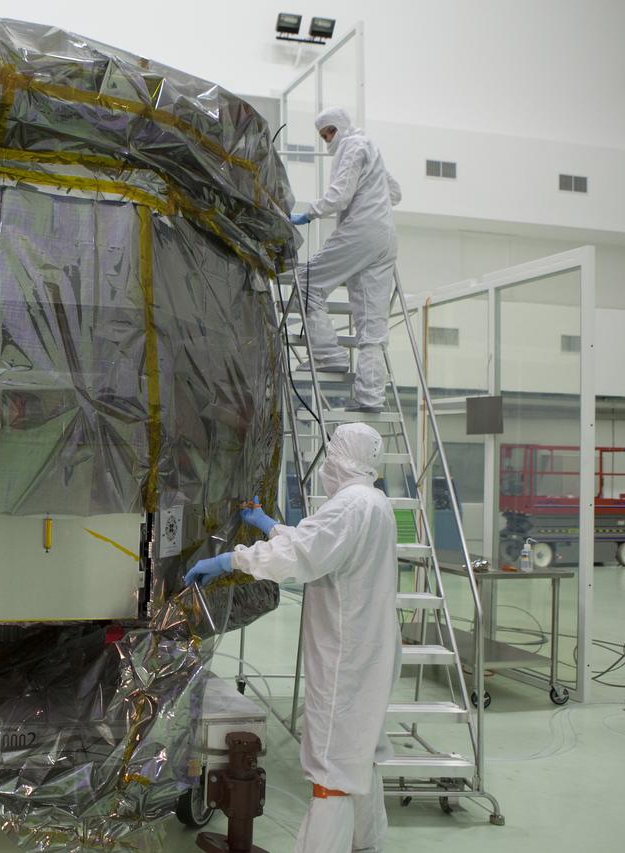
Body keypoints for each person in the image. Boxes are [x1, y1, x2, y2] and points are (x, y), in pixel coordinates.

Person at [184, 422, 400, 853]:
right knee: (360, 753)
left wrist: (230, 559)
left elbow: (301, 557)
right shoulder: (375, 502)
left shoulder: (350, 506)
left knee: (332, 769)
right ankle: (365, 843)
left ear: (339, 457)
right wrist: (269, 524)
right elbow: (315, 546)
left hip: (345, 658)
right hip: (370, 651)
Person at [289, 107, 401, 414]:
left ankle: (329, 356)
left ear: (341, 126)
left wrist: (308, 212)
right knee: (372, 329)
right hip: (385, 240)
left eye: (330, 132)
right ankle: (370, 398)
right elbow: (396, 192)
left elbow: (339, 196)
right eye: (323, 135)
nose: (328, 140)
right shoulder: (369, 146)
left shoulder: (352, 146)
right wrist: (373, 199)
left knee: (306, 283)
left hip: (360, 233)